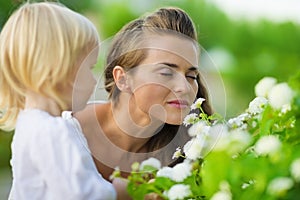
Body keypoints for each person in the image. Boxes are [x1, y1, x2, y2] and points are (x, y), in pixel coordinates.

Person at [74, 7, 212, 199]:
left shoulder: (186, 156)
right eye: (166, 73)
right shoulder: (70, 130)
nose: (185, 87)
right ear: (123, 79)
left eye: (191, 76)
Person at [0, 2, 116, 199]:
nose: (93, 79)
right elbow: (82, 195)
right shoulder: (52, 131)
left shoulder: (30, 124)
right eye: (88, 67)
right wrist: (120, 189)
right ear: (58, 70)